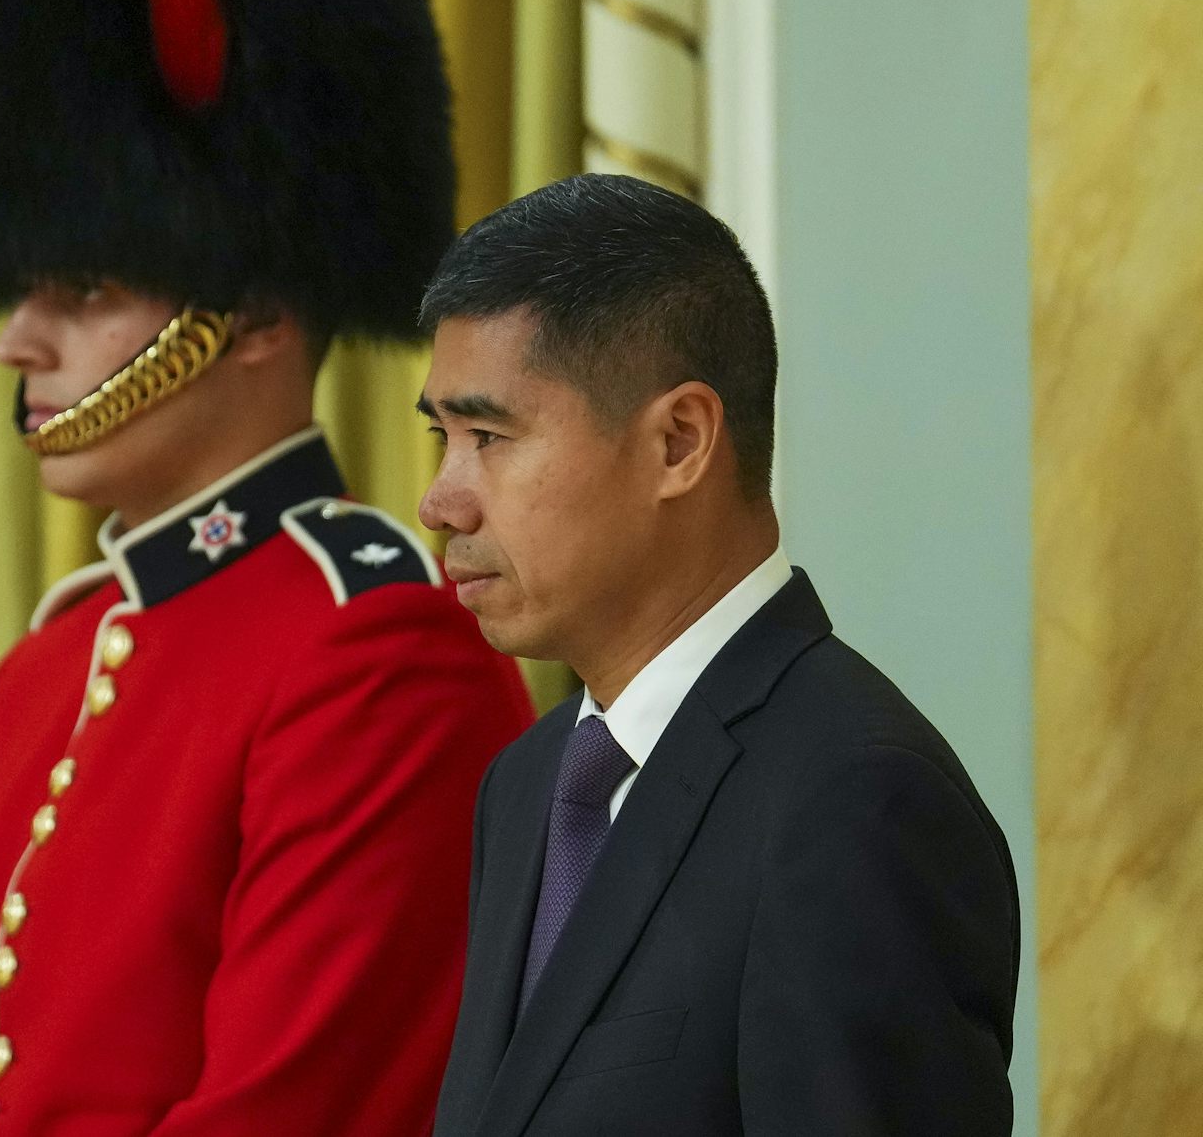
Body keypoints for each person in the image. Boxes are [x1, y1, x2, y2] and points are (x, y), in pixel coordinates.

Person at [0, 0, 534, 1137]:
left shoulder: (378, 658)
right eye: (21, 288)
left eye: (88, 288)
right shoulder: (43, 677)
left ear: (252, 311)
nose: (17, 339)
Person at [417, 175, 1020, 1136]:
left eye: (489, 436)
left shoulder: (857, 797)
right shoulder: (529, 783)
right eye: (440, 435)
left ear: (680, 441)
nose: (441, 500)